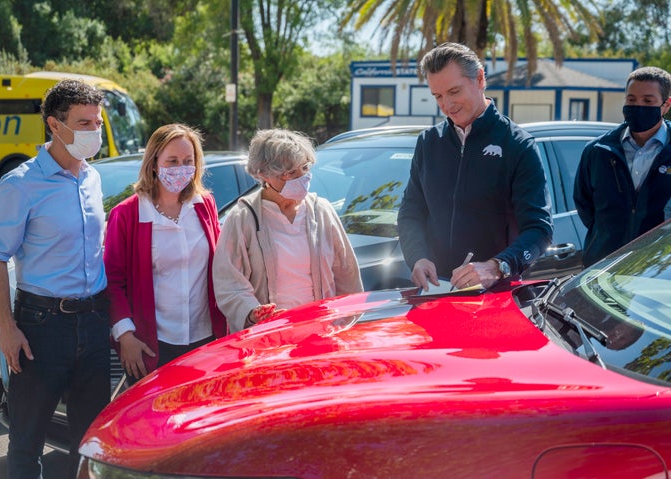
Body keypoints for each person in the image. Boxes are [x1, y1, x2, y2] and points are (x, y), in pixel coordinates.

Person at [0, 79, 110, 479]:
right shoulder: (21, 184)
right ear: (55, 125)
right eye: (84, 122)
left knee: (90, 442)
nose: (95, 131)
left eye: (97, 121)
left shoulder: (92, 177)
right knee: (27, 441)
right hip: (41, 327)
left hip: (92, 322)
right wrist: (7, 328)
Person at [397, 42, 553, 292]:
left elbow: (539, 230)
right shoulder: (428, 143)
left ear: (479, 79)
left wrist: (496, 266)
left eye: (454, 91)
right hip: (436, 292)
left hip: (496, 296)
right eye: (438, 96)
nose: (447, 105)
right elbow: (410, 213)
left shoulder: (518, 145)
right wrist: (417, 257)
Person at [103, 123, 228, 382]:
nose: (181, 168)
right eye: (172, 161)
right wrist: (126, 337)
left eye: (187, 161)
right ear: (153, 163)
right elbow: (112, 282)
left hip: (205, 341)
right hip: (153, 345)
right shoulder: (127, 214)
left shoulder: (205, 205)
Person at [213, 128, 363, 332]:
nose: (301, 177)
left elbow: (347, 275)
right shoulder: (243, 218)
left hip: (321, 333)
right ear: (264, 174)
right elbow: (228, 281)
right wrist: (252, 312)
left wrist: (344, 324)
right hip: (267, 338)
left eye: (304, 168)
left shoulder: (321, 210)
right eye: (290, 173)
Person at [574, 66, 671, 267]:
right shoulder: (597, 150)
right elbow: (585, 206)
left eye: (648, 101)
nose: (638, 106)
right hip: (601, 267)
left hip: (656, 272)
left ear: (666, 105)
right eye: (631, 100)